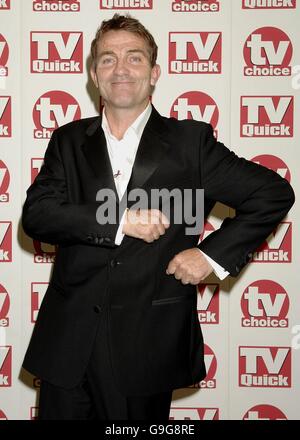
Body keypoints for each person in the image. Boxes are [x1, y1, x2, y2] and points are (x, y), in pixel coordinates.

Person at [22, 14, 295, 420]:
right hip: (67, 344)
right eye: (108, 59)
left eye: (134, 58)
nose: (121, 69)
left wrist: (209, 257)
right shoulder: (68, 140)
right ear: (94, 75)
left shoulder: (191, 143)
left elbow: (272, 194)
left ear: (154, 73)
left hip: (147, 344)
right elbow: (38, 215)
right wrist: (120, 220)